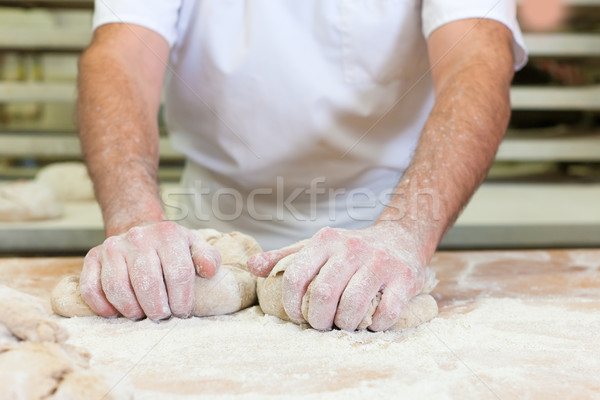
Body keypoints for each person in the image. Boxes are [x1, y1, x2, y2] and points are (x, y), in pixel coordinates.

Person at [77, 1, 527, 331]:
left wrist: (406, 233)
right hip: (202, 253)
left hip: (382, 242)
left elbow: (477, 59)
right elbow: (122, 56)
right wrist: (134, 220)